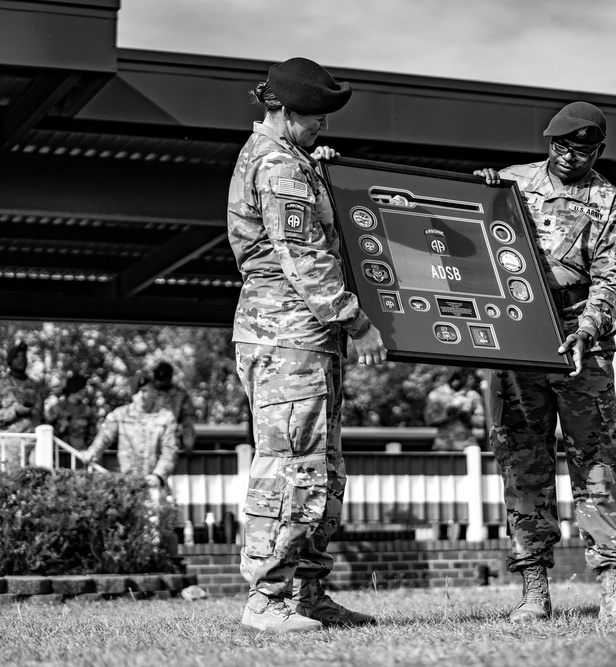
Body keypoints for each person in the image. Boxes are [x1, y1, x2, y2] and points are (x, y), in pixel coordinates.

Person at [227, 57, 387, 635]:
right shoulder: (278, 166)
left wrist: (319, 171)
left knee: (322, 467)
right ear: (284, 109)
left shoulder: (293, 161)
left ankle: (307, 593)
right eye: (315, 118)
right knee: (292, 466)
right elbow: (307, 257)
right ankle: (267, 599)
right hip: (288, 334)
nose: (323, 128)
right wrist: (356, 321)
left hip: (303, 337)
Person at [474, 101, 616, 623]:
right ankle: (533, 591)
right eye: (562, 147)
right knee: (523, 464)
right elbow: (467, 245)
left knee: (595, 465)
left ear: (599, 150)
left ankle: (615, 592)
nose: (571, 158)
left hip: (580, 345)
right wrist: (475, 196)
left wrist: (588, 329)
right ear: (549, 144)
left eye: (584, 150)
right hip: (516, 342)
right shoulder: (509, 183)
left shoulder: (610, 203)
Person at [79, 372, 178, 498]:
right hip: (125, 486)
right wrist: (92, 453)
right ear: (131, 394)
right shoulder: (120, 415)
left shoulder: (165, 418)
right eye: (137, 392)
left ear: (153, 392)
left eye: (144, 391)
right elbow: (104, 437)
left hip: (153, 485)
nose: (141, 395)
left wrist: (158, 475)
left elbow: (170, 451)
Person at [0, 340, 44, 468]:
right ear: (9, 361)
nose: (21, 359)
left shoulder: (36, 385)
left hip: (35, 442)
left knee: (37, 482)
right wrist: (15, 410)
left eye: (23, 356)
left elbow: (42, 415)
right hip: (10, 445)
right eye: (16, 357)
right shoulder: (2, 384)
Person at [424, 368, 485, 451]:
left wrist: (467, 417)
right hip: (443, 445)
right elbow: (428, 419)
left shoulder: (473, 395)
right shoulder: (435, 394)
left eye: (460, 377)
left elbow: (481, 421)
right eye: (454, 377)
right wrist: (446, 414)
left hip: (466, 445)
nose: (456, 381)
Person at [151, 361, 197, 453]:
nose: (158, 382)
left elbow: (187, 421)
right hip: (148, 441)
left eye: (162, 379)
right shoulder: (148, 393)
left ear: (169, 378)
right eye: (156, 378)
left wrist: (188, 441)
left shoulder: (180, 395)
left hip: (170, 442)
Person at [44, 373, 96, 451]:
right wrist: (60, 429)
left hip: (81, 454)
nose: (85, 390)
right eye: (82, 387)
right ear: (74, 387)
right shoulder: (57, 408)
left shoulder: (87, 410)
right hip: (60, 454)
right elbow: (45, 432)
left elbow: (93, 433)